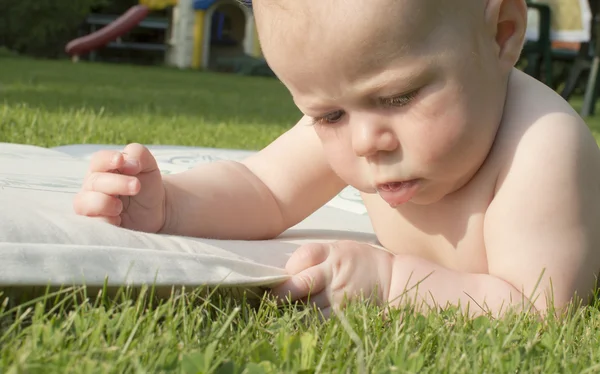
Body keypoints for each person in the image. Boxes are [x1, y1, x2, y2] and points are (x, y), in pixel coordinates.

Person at [73, 0, 600, 318]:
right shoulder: (359, 120)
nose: (367, 141)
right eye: (326, 116)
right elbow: (264, 187)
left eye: (398, 98)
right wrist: (171, 204)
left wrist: (394, 285)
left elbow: (536, 309)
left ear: (502, 34)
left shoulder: (540, 148)